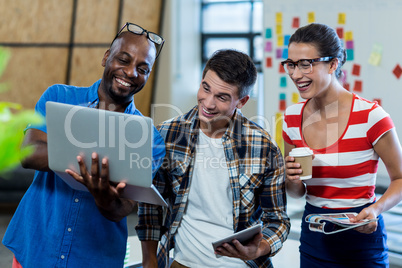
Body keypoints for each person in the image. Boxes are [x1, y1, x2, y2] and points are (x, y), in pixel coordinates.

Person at [2, 22, 166, 268]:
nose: (131, 72)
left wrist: (105, 198)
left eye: (143, 69)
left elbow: (123, 208)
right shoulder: (58, 97)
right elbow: (29, 154)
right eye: (124, 60)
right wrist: (97, 164)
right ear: (106, 58)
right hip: (36, 248)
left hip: (95, 257)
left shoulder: (150, 139)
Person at [136, 49, 290, 268]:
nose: (208, 103)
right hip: (183, 263)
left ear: (242, 101)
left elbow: (278, 220)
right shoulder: (167, 135)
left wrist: (259, 248)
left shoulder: (264, 147)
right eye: (205, 88)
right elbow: (151, 206)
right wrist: (149, 262)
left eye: (222, 97)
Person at [282, 23, 402, 267]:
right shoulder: (291, 118)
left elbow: (400, 178)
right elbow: (297, 191)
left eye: (306, 64)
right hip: (314, 235)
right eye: (292, 64)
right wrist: (290, 179)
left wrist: (377, 210)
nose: (295, 74)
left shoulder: (371, 116)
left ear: (333, 64)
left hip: (361, 235)